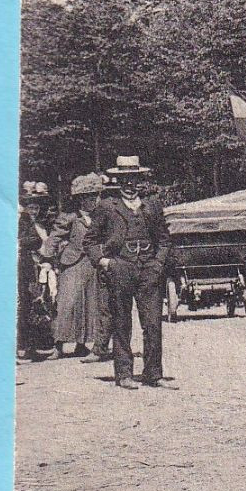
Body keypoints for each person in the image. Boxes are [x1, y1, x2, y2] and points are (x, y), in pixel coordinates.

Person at [85, 157, 173, 390]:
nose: (129, 184)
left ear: (140, 180)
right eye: (124, 179)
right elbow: (90, 240)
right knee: (121, 323)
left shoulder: (152, 205)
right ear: (118, 181)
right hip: (120, 267)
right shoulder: (107, 206)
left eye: (133, 179)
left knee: (153, 323)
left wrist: (157, 264)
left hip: (149, 270)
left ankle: (154, 374)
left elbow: (164, 241)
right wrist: (104, 261)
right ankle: (124, 374)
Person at [48, 173, 109, 359]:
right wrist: (46, 257)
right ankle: (58, 346)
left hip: (93, 264)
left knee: (90, 304)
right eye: (87, 197)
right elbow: (55, 236)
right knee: (67, 303)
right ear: (80, 199)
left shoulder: (102, 216)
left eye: (94, 196)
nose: (92, 201)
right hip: (73, 263)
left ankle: (82, 345)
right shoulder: (70, 217)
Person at [18, 181, 56, 360]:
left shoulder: (41, 223)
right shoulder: (22, 222)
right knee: (27, 304)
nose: (34, 211)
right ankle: (25, 345)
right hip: (26, 267)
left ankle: (37, 342)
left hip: (38, 266)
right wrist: (38, 245)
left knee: (40, 302)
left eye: (36, 208)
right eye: (31, 207)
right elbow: (25, 242)